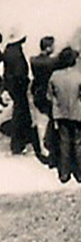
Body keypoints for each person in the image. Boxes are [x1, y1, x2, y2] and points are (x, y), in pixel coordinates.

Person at [47, 46, 81, 185]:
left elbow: (50, 96)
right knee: (79, 144)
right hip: (78, 114)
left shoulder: (55, 76)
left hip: (61, 114)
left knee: (64, 143)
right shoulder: (79, 77)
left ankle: (64, 174)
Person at [2, 26, 41, 158]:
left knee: (22, 114)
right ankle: (18, 145)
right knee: (20, 113)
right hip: (19, 88)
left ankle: (23, 139)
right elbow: (20, 74)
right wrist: (25, 83)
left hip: (13, 87)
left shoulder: (8, 50)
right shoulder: (17, 53)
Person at [30, 35, 58, 166]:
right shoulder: (52, 62)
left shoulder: (34, 60)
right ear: (48, 48)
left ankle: (44, 151)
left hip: (38, 93)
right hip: (48, 94)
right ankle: (52, 149)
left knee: (41, 123)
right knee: (51, 123)